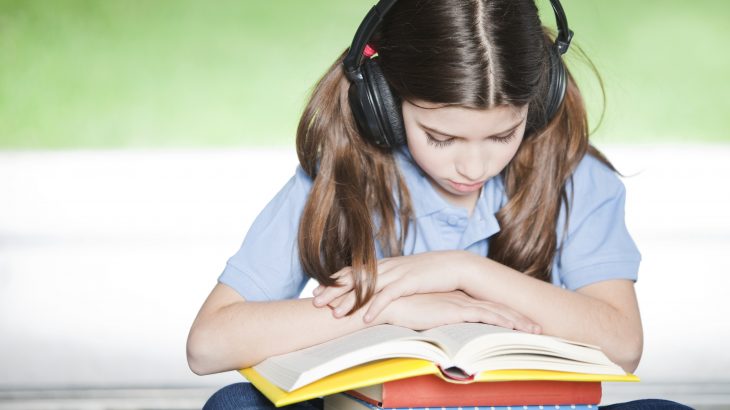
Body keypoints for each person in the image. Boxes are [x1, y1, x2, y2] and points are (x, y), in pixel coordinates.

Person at [187, 1, 690, 409]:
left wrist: (461, 270)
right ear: (382, 103)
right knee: (235, 403)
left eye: (503, 134)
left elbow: (623, 346)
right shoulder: (341, 177)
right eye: (442, 138)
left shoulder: (580, 180)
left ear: (536, 108)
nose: (474, 167)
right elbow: (208, 345)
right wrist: (396, 312)